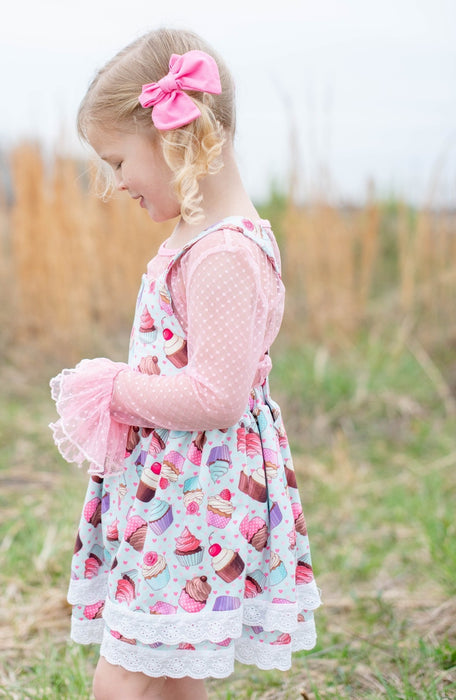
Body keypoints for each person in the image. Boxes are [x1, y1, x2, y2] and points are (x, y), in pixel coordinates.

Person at [49, 27, 321, 700]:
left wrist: (115, 387)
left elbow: (217, 398)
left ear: (174, 137)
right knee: (169, 667)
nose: (115, 184)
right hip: (176, 488)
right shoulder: (198, 239)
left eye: (117, 160)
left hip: (199, 496)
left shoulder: (223, 253)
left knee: (124, 672)